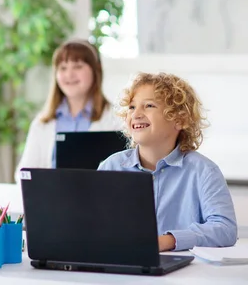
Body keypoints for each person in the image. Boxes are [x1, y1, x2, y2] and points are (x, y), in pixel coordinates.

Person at [98, 72, 237, 251]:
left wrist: (168, 240)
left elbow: (225, 229)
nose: (136, 114)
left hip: (184, 273)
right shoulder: (110, 167)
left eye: (149, 105)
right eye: (132, 107)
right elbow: (91, 224)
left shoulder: (204, 171)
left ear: (179, 120)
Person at [15, 39, 120, 178]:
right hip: (51, 197)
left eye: (78, 66)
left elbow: (121, 173)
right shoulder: (42, 123)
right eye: (63, 68)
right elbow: (23, 174)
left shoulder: (116, 119)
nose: (69, 75)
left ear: (95, 70)